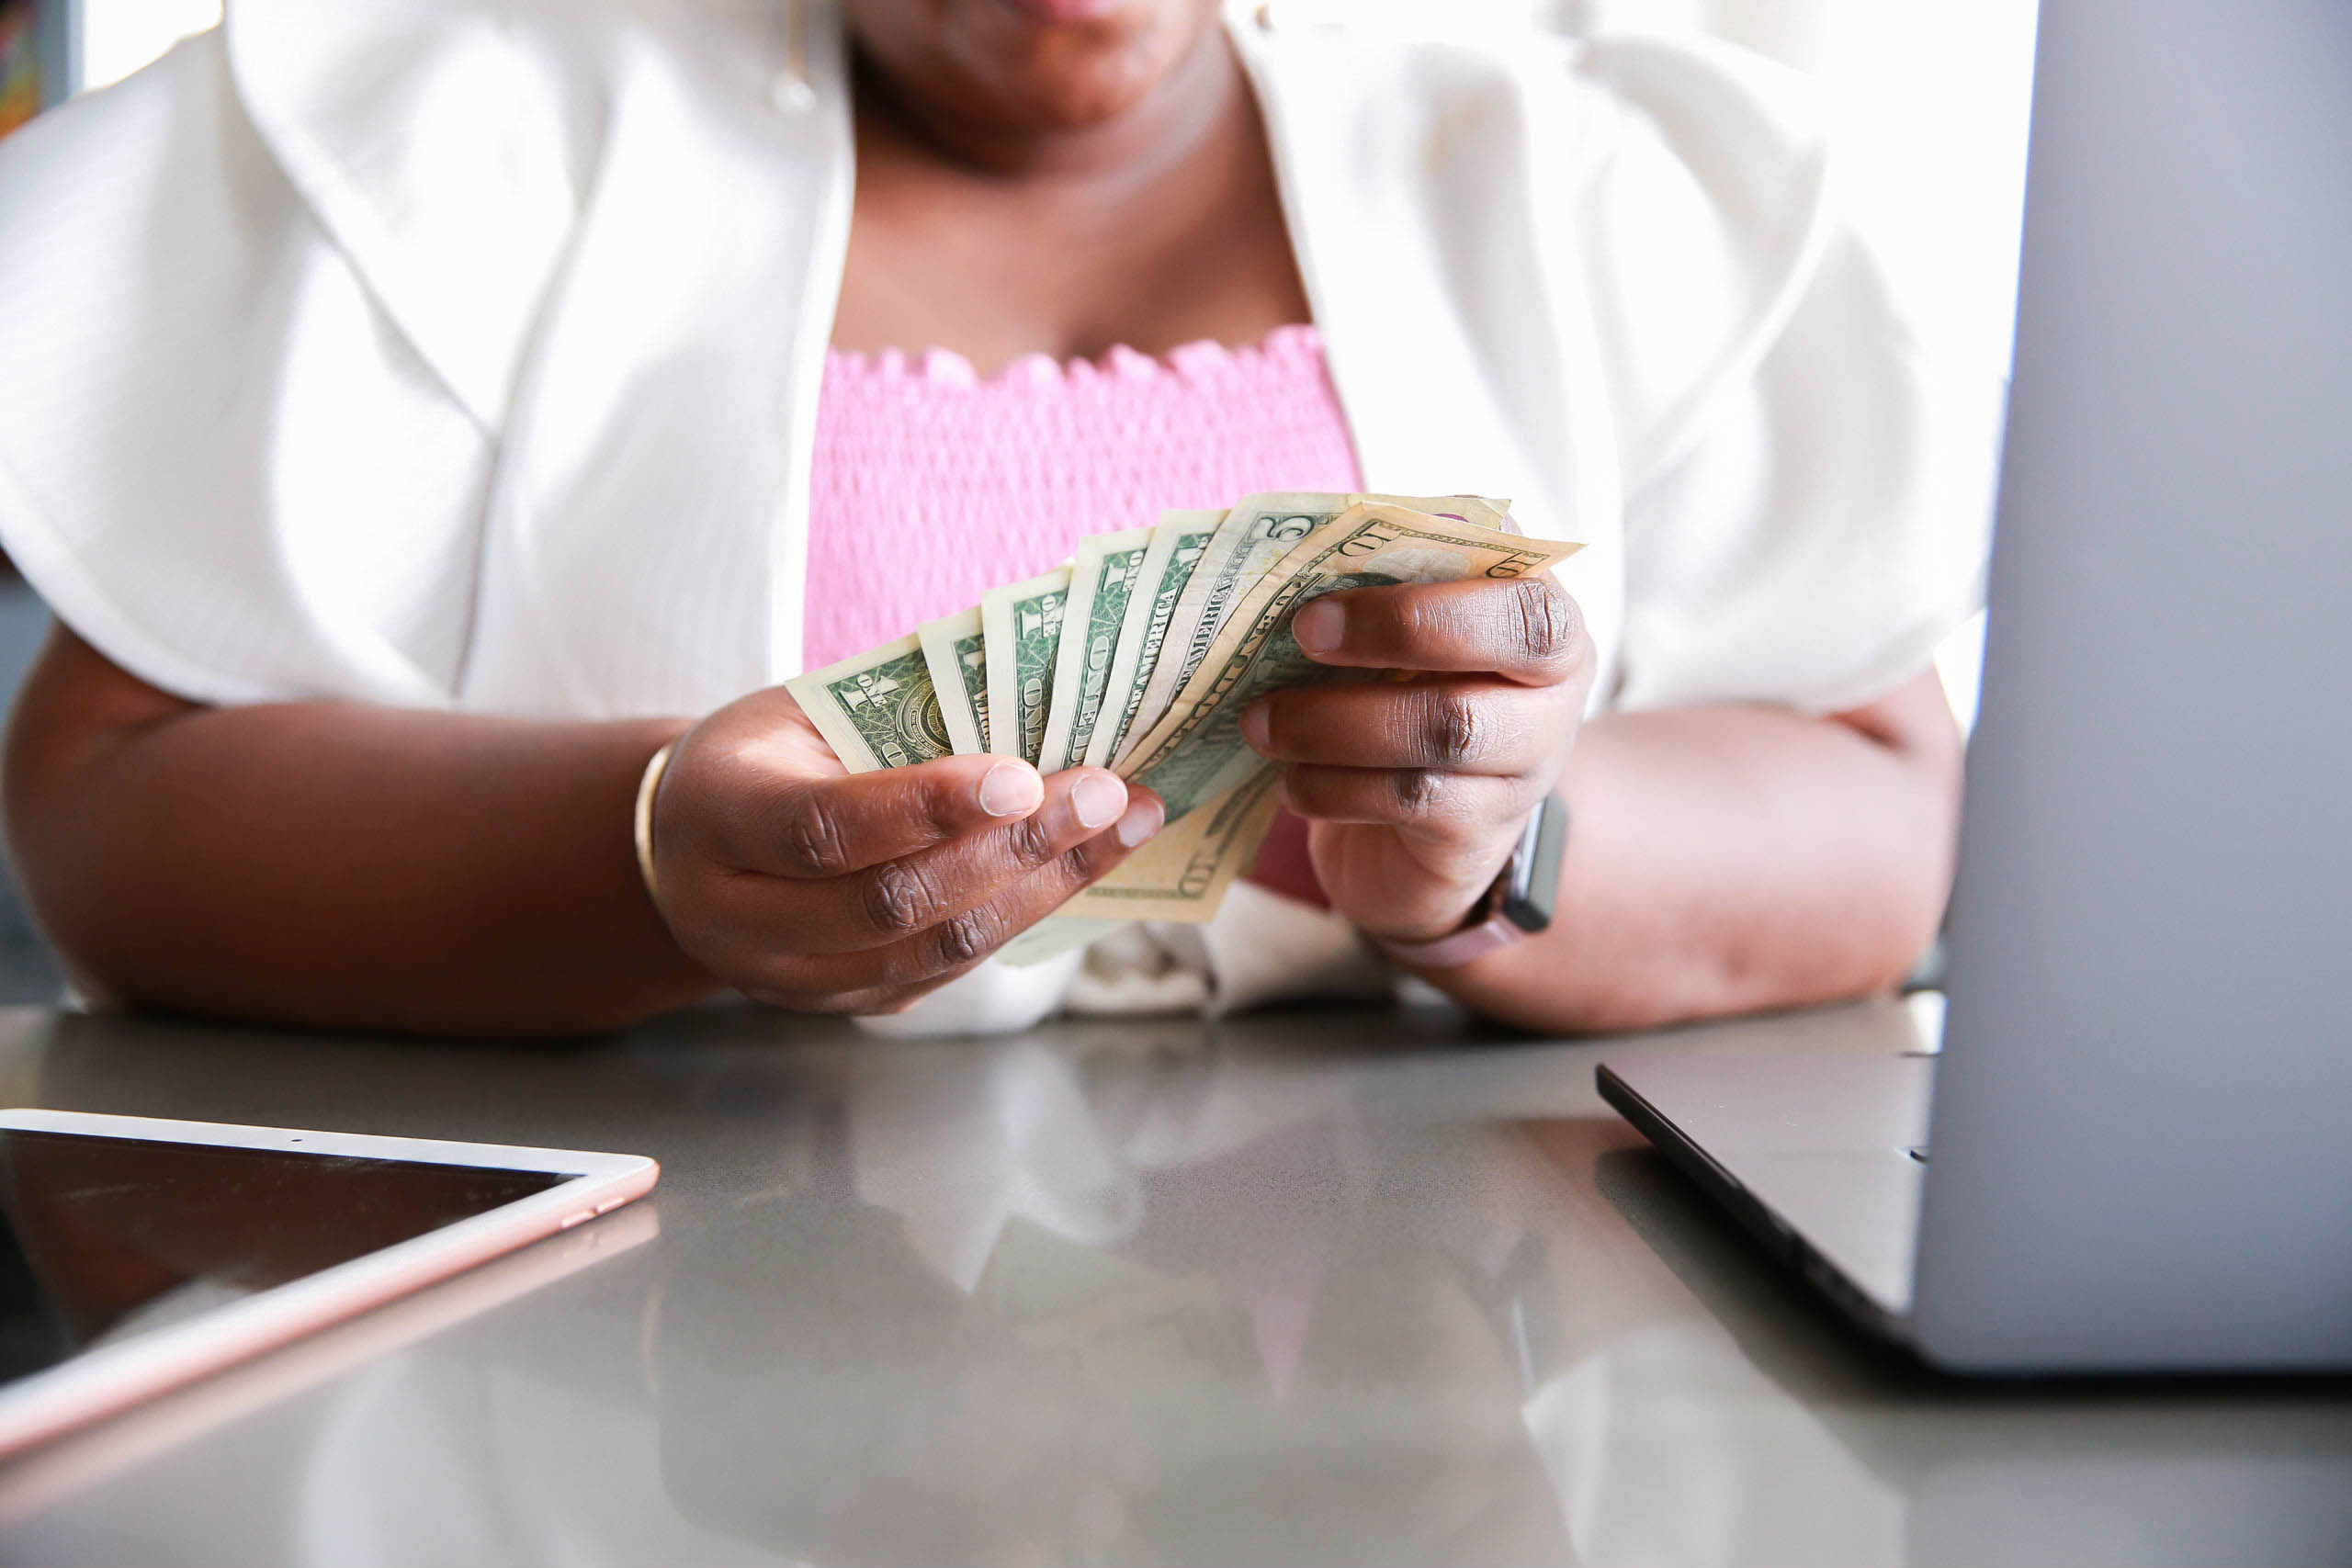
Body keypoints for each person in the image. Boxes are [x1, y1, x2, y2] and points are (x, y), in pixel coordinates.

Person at [0, 0, 1989, 1037]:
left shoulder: (1600, 187)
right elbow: (111, 801)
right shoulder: (447, 146)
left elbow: (1888, 812)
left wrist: (1495, 858)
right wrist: (642, 866)